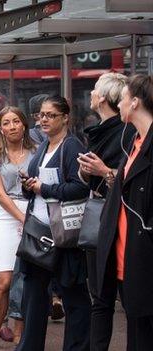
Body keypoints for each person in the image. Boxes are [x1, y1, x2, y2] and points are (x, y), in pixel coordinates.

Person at [19, 95, 91, 351]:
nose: (44, 120)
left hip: (63, 234)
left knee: (74, 296)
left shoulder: (72, 146)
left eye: (50, 115)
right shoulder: (43, 146)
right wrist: (29, 185)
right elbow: (36, 186)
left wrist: (44, 188)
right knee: (34, 295)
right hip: (39, 231)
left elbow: (80, 188)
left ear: (65, 118)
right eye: (41, 115)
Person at [77, 72, 133, 351]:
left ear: (105, 98)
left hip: (119, 220)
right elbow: (92, 177)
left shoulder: (127, 132)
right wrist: (86, 172)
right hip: (97, 217)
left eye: (95, 90)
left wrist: (103, 172)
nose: (91, 94)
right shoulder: (96, 130)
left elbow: (130, 181)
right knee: (99, 297)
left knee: (124, 296)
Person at [96, 74, 153, 351]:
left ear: (135, 103)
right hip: (124, 256)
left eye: (123, 99)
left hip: (143, 257)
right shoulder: (135, 142)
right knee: (136, 332)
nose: (119, 105)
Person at [0, 106, 35, 350]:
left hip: (34, 211)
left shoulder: (37, 151)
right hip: (6, 215)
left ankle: (20, 328)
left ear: (23, 124)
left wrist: (29, 217)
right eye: (6, 123)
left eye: (16, 121)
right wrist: (22, 219)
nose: (12, 126)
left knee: (27, 276)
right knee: (5, 279)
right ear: (0, 128)